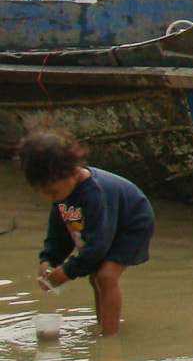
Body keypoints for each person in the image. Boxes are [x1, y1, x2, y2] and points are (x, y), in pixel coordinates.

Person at [26, 128, 153, 337]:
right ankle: (103, 325)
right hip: (105, 226)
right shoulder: (60, 195)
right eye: (45, 193)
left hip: (132, 223)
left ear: (74, 171)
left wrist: (68, 270)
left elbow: (97, 246)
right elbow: (58, 235)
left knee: (105, 276)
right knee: (95, 276)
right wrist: (49, 260)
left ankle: (109, 341)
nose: (52, 198)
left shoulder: (93, 194)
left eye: (54, 192)